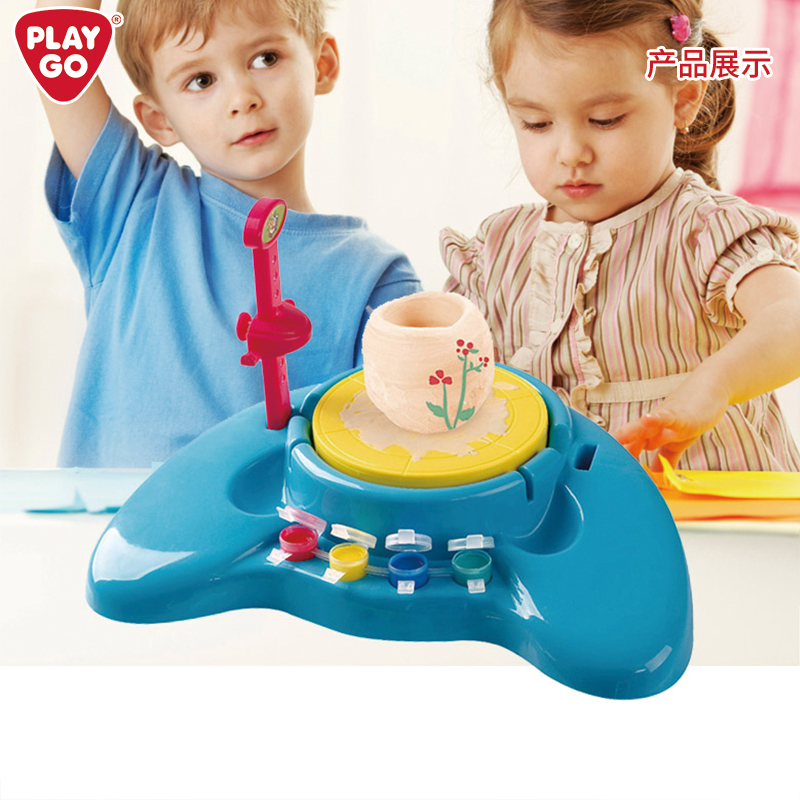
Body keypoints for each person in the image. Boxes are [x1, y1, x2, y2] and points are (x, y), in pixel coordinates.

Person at [37, 0, 422, 467]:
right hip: (111, 515)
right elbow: (56, 29)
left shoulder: (377, 279)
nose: (242, 98)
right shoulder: (131, 203)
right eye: (201, 80)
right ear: (160, 119)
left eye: (266, 58)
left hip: (273, 519)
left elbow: (390, 464)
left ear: (322, 64)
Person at [441, 0, 800, 471]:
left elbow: (791, 315)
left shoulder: (705, 229)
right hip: (569, 511)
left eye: (605, 119)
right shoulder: (496, 250)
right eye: (537, 123)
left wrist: (716, 384)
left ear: (683, 97)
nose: (571, 152)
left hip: (711, 504)